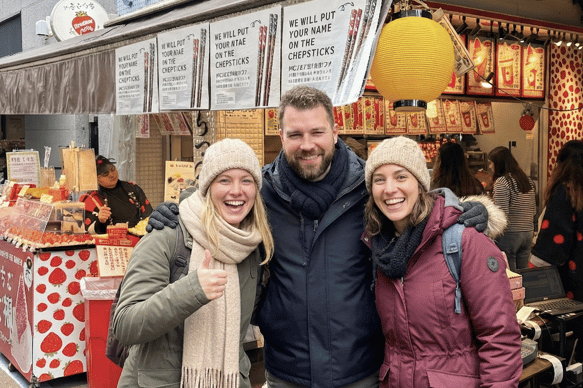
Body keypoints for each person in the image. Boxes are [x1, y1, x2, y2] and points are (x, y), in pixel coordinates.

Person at [148, 86, 490, 388]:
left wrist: (460, 207)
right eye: (295, 134)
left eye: (317, 132)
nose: (307, 145)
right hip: (286, 369)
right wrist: (177, 211)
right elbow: (214, 202)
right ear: (280, 135)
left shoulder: (368, 190)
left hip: (360, 368)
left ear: (335, 131)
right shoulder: (262, 193)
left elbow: (418, 203)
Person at [111, 138, 273, 388]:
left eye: (246, 180)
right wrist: (192, 290)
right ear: (207, 187)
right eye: (224, 180)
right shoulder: (166, 235)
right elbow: (125, 325)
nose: (236, 191)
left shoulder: (252, 246)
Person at [363, 136, 522, 387]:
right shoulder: (377, 247)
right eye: (379, 180)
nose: (389, 188)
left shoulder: (463, 241)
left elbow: (500, 338)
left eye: (401, 176)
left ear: (421, 182)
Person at [530, 140, 583, 378]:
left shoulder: (566, 192)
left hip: (574, 286)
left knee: (575, 344)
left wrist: (529, 276)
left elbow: (552, 245)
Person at [488, 146, 537, 271]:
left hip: (510, 234)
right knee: (524, 273)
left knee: (511, 275)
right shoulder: (527, 180)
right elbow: (533, 209)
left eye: (491, 163)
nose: (490, 167)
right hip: (527, 233)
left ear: (498, 164)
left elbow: (501, 214)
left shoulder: (502, 182)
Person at [82, 155, 152, 234]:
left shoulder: (132, 188)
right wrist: (100, 221)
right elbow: (87, 232)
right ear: (97, 178)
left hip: (140, 239)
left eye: (113, 169)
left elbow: (149, 215)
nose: (112, 175)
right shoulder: (90, 198)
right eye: (105, 173)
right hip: (111, 242)